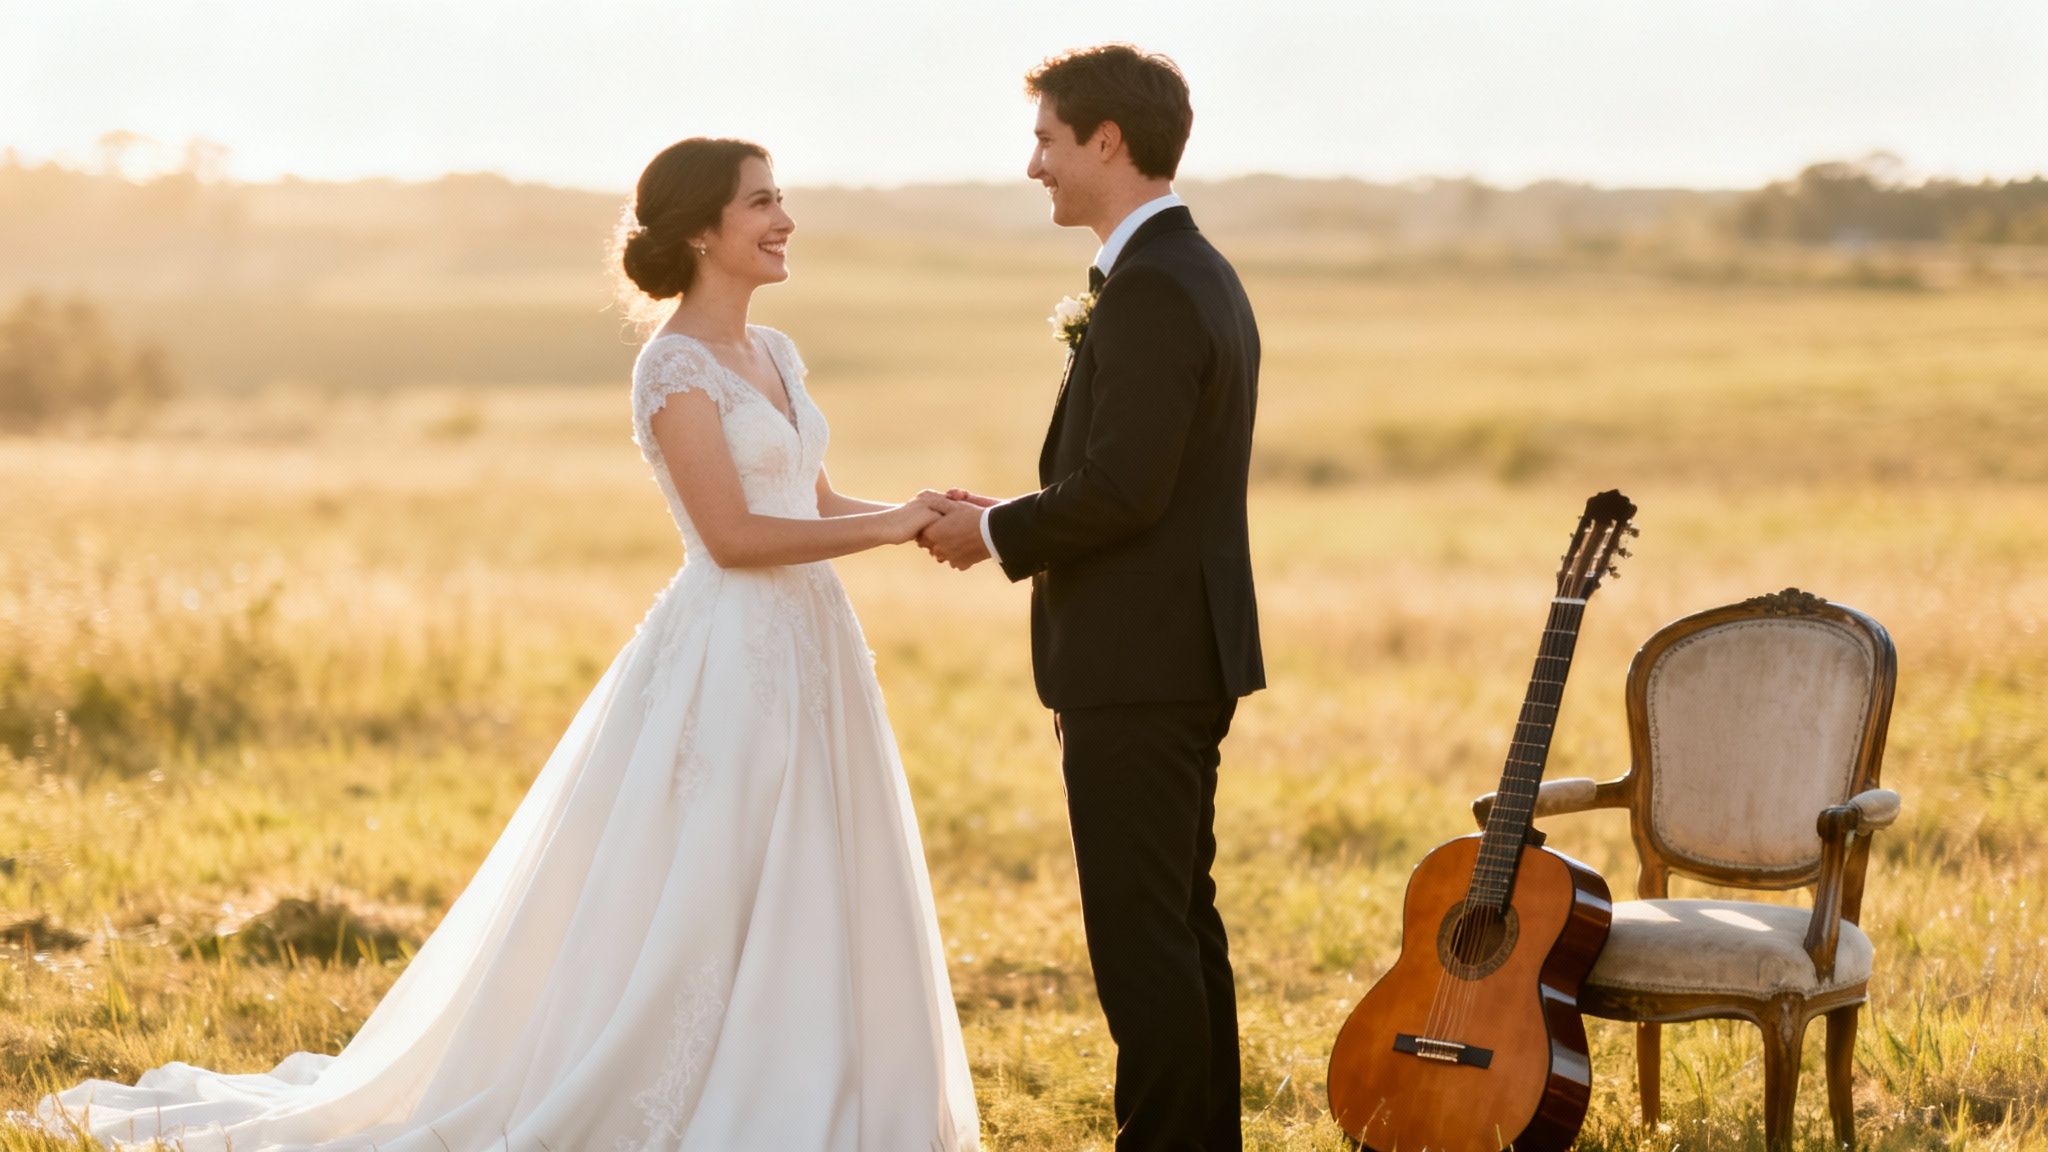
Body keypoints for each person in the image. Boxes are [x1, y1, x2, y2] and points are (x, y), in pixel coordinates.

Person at [27, 138, 981, 1152]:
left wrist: (917, 510)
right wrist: (887, 531)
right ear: (702, 230)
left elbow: (810, 499)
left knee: (810, 863)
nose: (784, 217)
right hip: (730, 650)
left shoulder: (776, 352)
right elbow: (733, 537)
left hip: (812, 643)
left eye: (781, 196)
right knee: (714, 875)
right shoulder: (672, 368)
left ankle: (811, 1078)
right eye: (762, 202)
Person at [918, 45, 1265, 1152]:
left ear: (1105, 141)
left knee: (1139, 939)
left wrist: (992, 533)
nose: (1034, 168)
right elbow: (1132, 476)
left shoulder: (1156, 284)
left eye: (1046, 141)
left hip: (1140, 659)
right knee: (1176, 922)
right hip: (1170, 652)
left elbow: (1123, 492)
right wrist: (1011, 508)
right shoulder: (1187, 268)